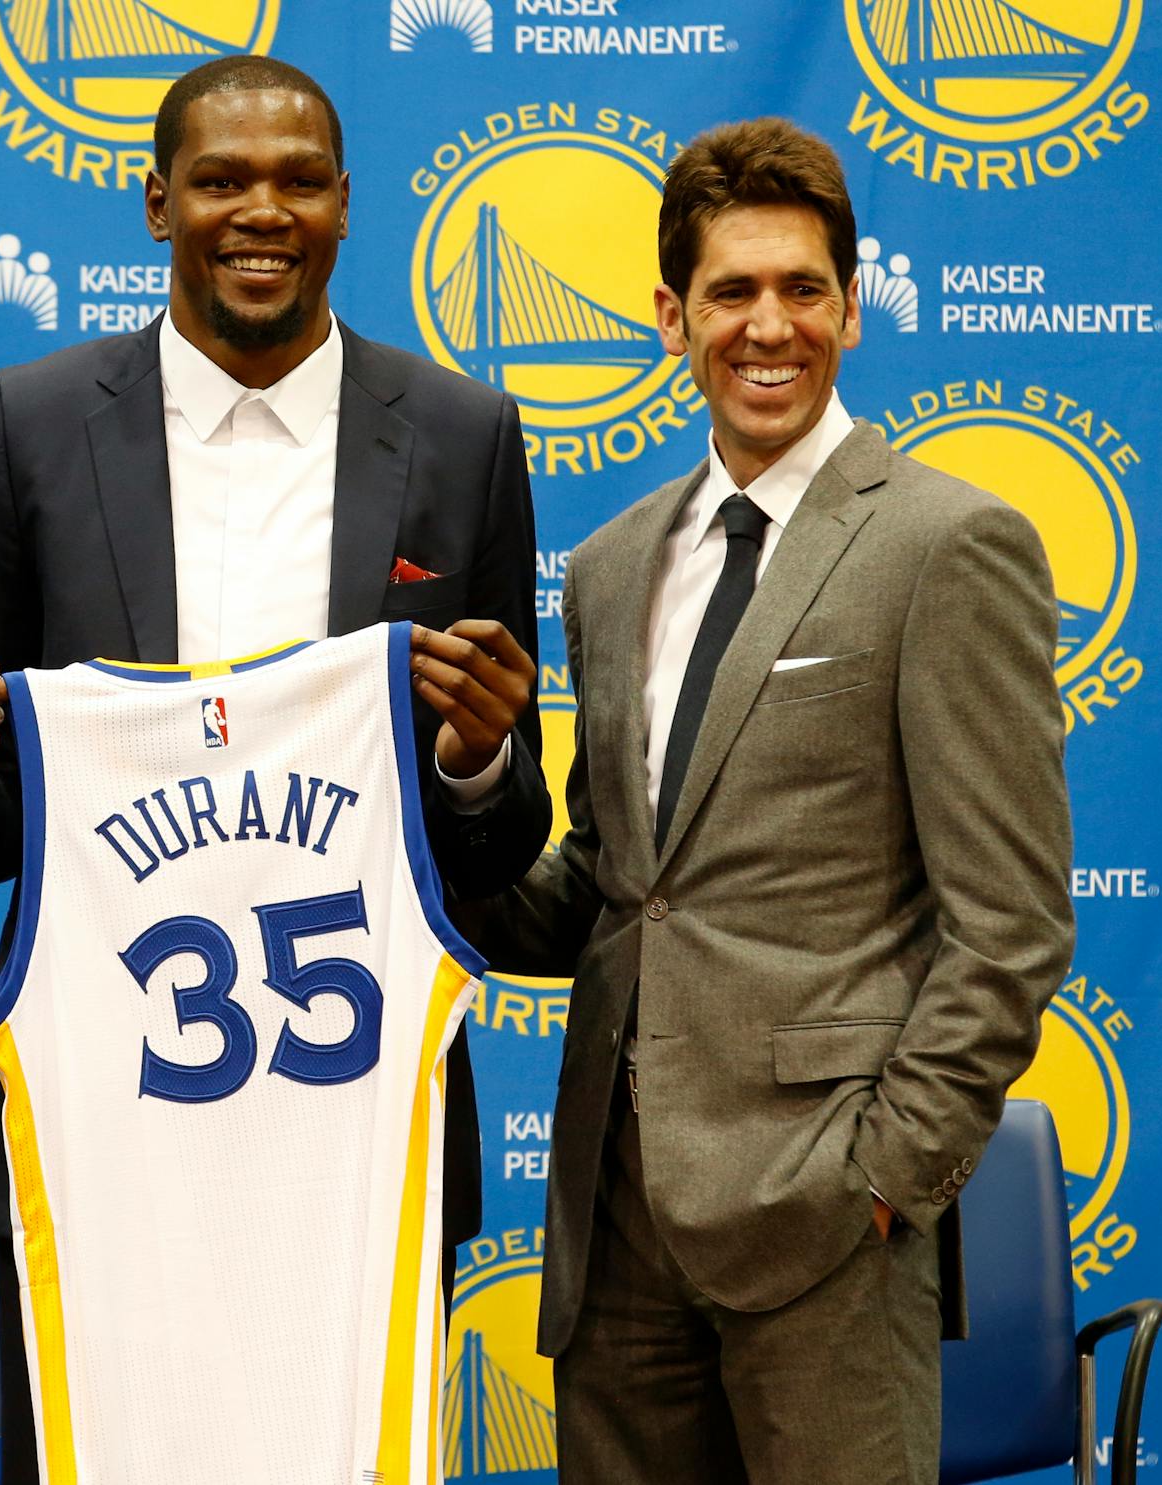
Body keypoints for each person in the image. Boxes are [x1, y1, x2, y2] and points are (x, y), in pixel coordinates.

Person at [0, 55, 549, 1484]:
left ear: (347, 205)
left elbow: (499, 840)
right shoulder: (27, 423)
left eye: (299, 181)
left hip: (365, 1130)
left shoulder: (463, 434)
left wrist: (477, 762)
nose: (263, 211)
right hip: (100, 1126)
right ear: (156, 203)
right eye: (222, 180)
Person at [460, 118, 1074, 1482]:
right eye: (731, 291)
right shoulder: (612, 566)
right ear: (672, 315)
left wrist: (882, 1182)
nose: (769, 326)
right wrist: (445, 803)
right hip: (614, 1229)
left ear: (851, 305)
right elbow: (611, 889)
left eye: (803, 288)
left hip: (826, 1227)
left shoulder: (949, 543)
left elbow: (1012, 927)